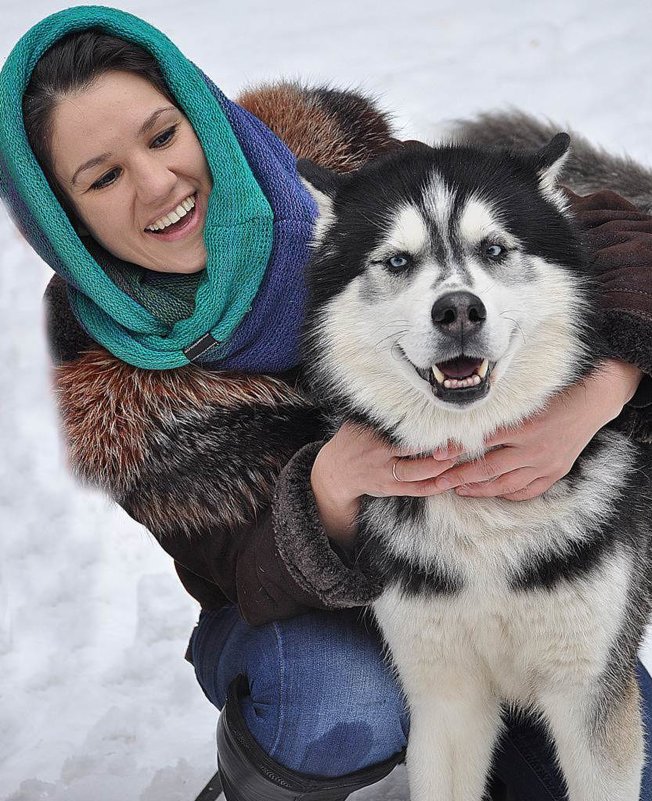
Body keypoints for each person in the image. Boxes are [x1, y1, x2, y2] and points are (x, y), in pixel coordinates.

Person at [1, 6, 652, 800]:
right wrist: (328, 492)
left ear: (200, 116)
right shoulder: (109, 369)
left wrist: (600, 388)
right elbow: (235, 566)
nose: (156, 183)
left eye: (163, 135)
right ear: (67, 222)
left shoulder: (344, 174)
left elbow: (606, 235)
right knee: (336, 699)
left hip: (503, 558)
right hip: (304, 618)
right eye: (102, 178)